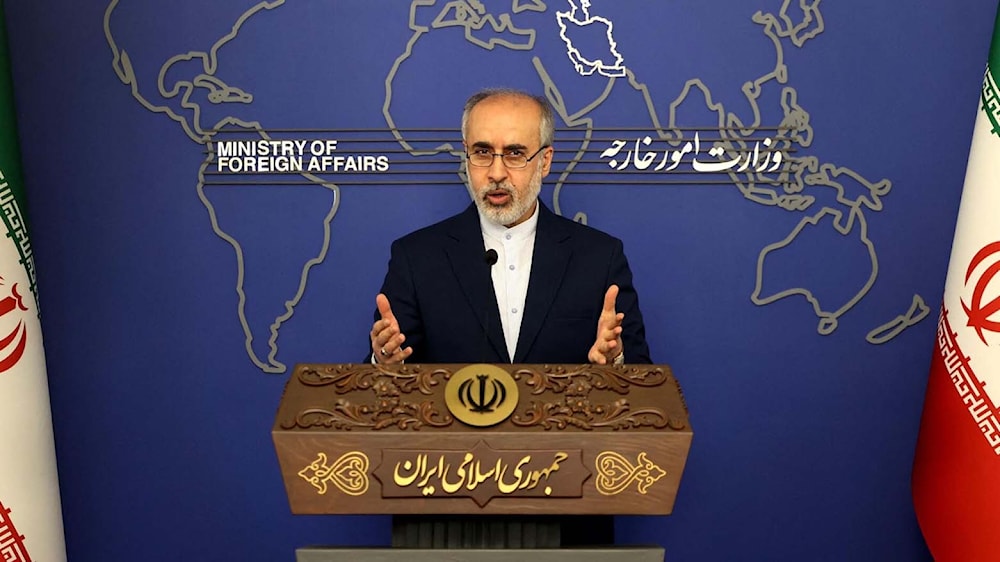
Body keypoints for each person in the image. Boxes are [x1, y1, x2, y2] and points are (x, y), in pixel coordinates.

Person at [369, 88, 651, 367]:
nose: (496, 173)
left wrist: (615, 361)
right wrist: (386, 363)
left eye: (515, 153)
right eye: (482, 152)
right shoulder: (416, 258)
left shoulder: (600, 258)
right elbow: (383, 374)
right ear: (466, 154)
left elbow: (642, 375)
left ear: (545, 161)